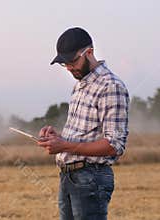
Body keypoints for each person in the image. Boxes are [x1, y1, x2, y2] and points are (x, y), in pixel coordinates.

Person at [37, 27, 129, 220]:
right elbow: (83, 137)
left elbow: (114, 145)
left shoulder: (110, 86)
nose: (69, 68)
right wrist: (57, 138)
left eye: (72, 61)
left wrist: (65, 145)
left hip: (91, 178)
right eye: (65, 64)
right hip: (68, 176)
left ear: (89, 52)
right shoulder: (80, 85)